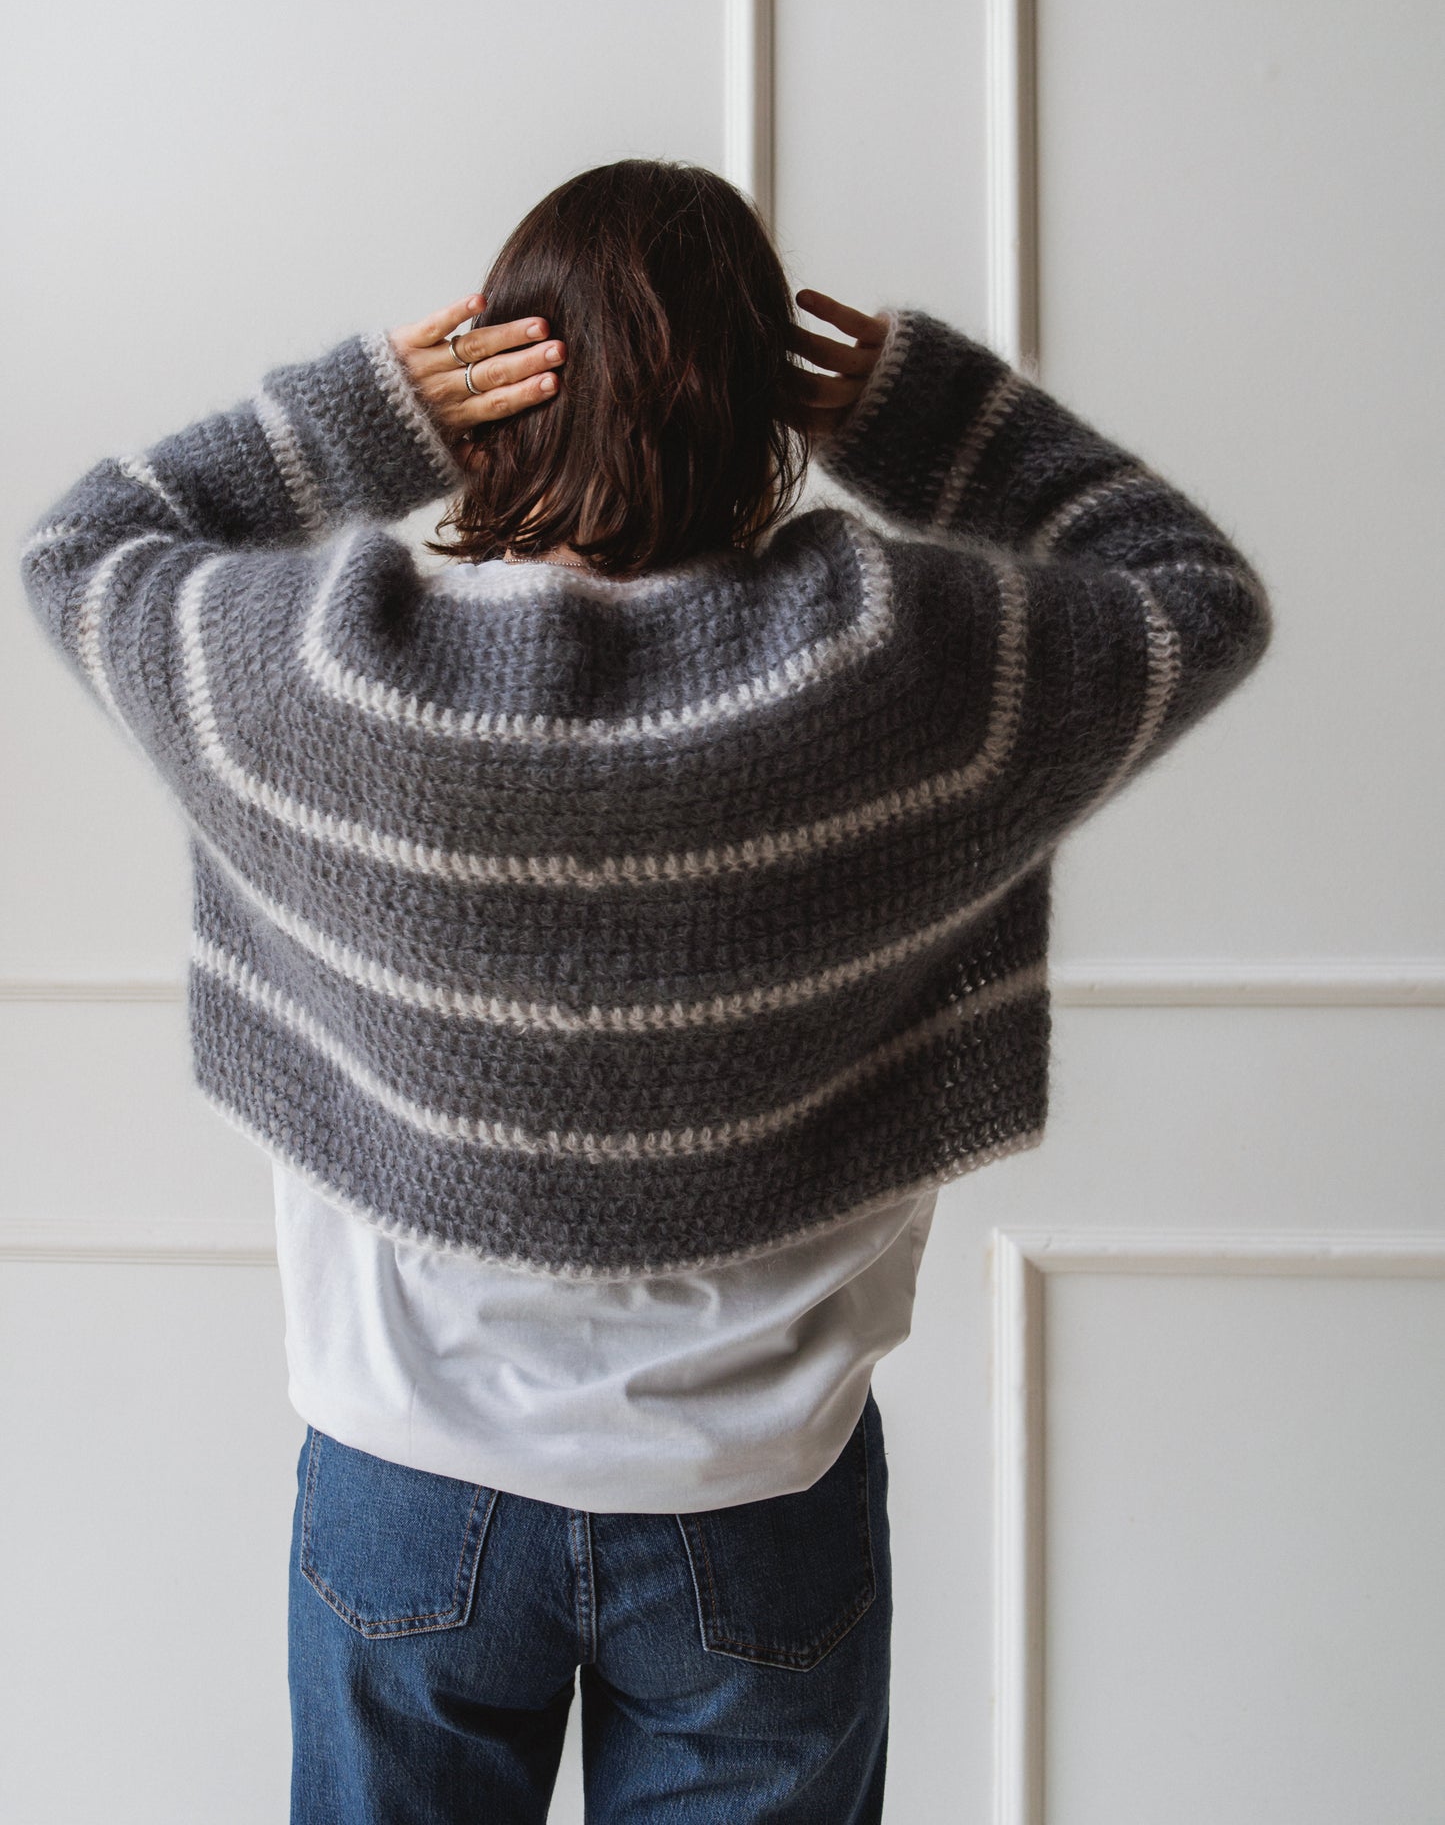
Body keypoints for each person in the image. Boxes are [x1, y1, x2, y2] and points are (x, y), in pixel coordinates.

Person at [20, 157, 1272, 1823]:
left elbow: (80, 550)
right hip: (755, 1500)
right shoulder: (896, 671)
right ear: (766, 408)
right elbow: (1194, 598)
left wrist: (370, 414)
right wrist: (925, 419)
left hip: (408, 1482)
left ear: (498, 394)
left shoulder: (328, 677)